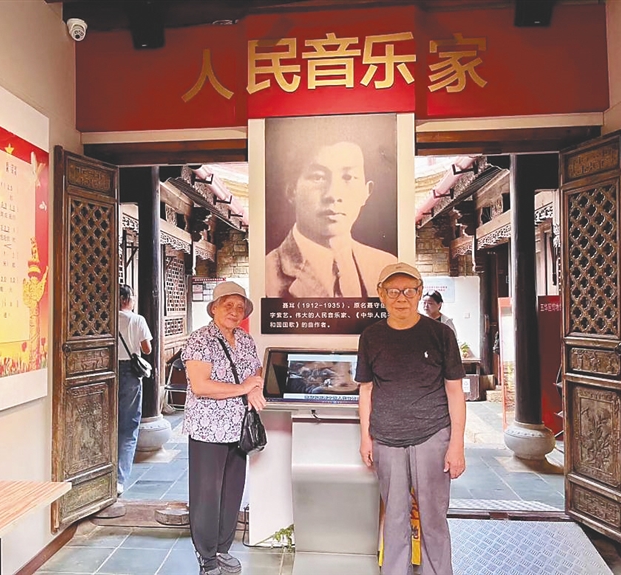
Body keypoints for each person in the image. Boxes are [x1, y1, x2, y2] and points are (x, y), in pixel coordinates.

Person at [356, 263, 466, 575]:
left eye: (408, 290)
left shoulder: (440, 334)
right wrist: (365, 437)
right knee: (393, 516)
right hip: (386, 437)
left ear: (419, 293)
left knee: (433, 517)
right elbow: (366, 390)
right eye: (393, 291)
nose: (401, 298)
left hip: (433, 435)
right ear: (381, 295)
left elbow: (455, 391)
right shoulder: (371, 336)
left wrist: (456, 444)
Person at [182, 282, 266, 575]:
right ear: (214, 308)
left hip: (238, 429)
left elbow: (256, 372)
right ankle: (206, 557)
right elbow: (201, 386)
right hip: (208, 430)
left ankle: (222, 549)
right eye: (228, 305)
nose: (234, 311)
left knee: (232, 492)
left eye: (239, 307)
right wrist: (244, 388)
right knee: (207, 494)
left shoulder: (245, 339)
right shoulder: (200, 339)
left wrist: (254, 388)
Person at [265, 134, 397, 298]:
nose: (333, 194)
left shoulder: (386, 267)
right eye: (318, 177)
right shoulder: (266, 274)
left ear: (366, 192)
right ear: (292, 190)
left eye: (348, 177)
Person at [117, 284, 153, 496]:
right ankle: (119, 479)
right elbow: (147, 349)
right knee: (129, 426)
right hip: (130, 373)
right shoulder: (138, 319)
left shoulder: (107, 319)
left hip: (107, 370)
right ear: (127, 299)